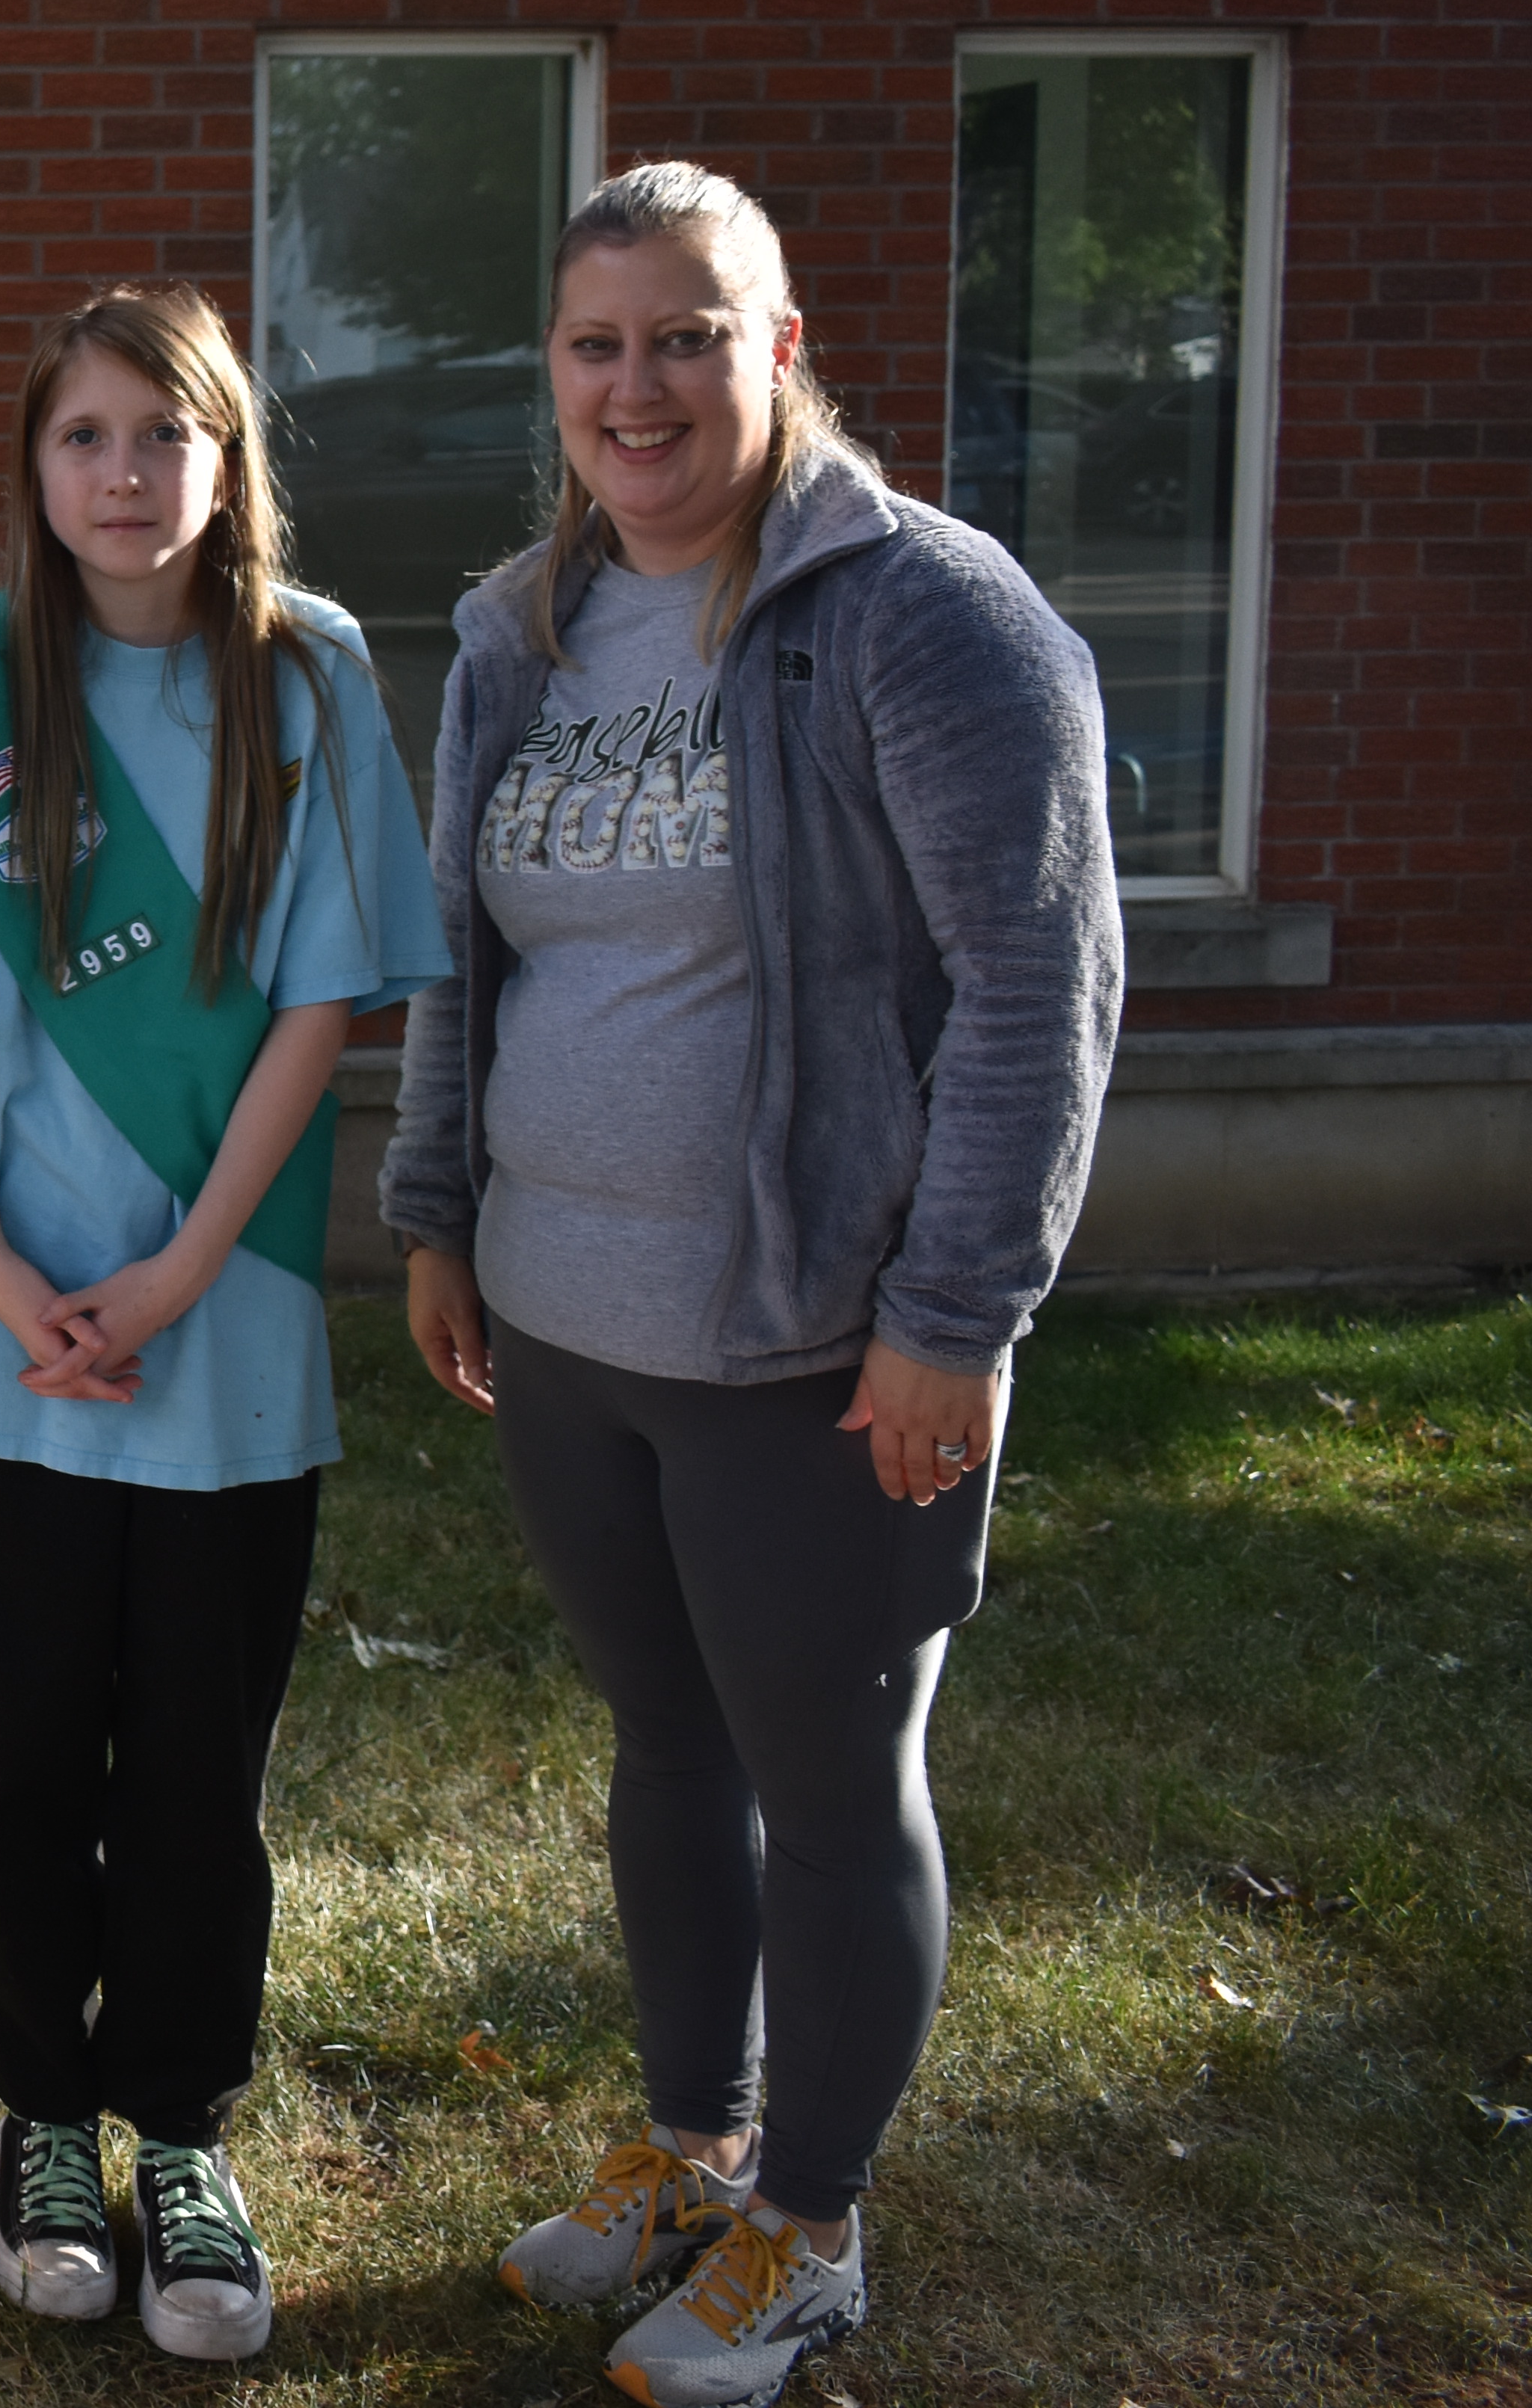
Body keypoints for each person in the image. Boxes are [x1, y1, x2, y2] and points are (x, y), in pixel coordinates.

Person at [382, 162, 1119, 2407]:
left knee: (828, 1772)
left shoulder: (919, 614)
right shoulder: (523, 628)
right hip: (569, 1326)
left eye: (691, 337)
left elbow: (1038, 987)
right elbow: (464, 954)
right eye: (601, 347)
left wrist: (955, 1315)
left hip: (811, 1343)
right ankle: (695, 2147)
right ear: (557, 380)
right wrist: (437, 1208)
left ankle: (811, 2223)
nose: (643, 388)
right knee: (665, 1746)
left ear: (779, 347)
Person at [0, 283, 448, 2362]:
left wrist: (182, 1271)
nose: (121, 478)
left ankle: (177, 2123)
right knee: (13, 1746)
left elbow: (328, 997)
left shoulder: (312, 672)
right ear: (35, 463)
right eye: (83, 437)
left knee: (200, 1751)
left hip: (225, 1299)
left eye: (161, 437)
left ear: (226, 458)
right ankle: (36, 2115)